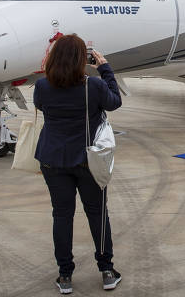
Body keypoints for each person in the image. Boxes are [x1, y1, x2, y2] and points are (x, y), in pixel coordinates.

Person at [33, 34, 123, 294]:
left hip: (53, 160)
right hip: (87, 160)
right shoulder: (92, 86)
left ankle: (65, 275)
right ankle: (106, 270)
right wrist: (104, 68)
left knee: (62, 216)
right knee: (97, 214)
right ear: (82, 59)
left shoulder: (42, 86)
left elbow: (41, 106)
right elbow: (114, 102)